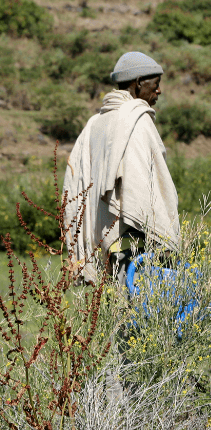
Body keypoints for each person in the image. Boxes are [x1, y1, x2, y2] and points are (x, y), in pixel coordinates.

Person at [63, 51, 180, 284]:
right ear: (138, 83)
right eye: (155, 84)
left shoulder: (96, 122)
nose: (159, 91)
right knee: (144, 310)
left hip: (106, 242)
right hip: (134, 241)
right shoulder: (136, 118)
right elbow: (141, 187)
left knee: (115, 310)